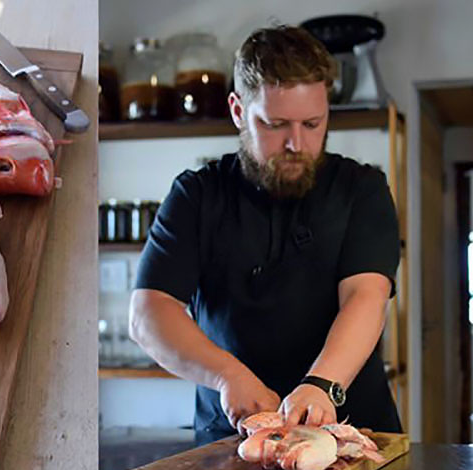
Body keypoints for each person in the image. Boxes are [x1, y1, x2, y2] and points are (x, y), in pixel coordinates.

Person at [129, 25, 402, 443]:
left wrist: (321, 385)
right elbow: (150, 313)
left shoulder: (362, 189)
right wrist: (227, 375)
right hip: (232, 439)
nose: (296, 143)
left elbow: (365, 297)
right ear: (238, 110)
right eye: (275, 124)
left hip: (348, 430)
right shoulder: (196, 194)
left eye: (313, 124)